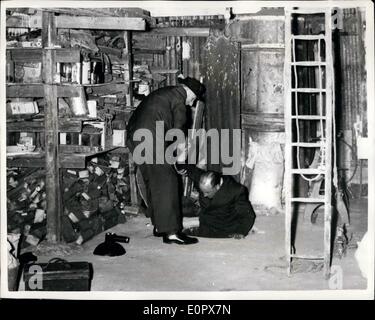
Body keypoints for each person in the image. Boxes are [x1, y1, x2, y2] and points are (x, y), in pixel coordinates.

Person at [126, 77, 205, 245]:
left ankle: (159, 225)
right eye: (193, 99)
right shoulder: (179, 99)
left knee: (154, 180)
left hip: (135, 136)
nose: (192, 104)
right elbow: (179, 133)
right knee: (167, 181)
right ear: (189, 92)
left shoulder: (166, 93)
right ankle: (171, 232)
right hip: (149, 138)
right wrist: (182, 161)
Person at [175, 164, 256, 238]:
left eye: (207, 192)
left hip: (225, 230)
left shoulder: (236, 191)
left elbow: (248, 215)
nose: (204, 195)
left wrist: (241, 231)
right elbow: (187, 167)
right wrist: (179, 165)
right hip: (205, 227)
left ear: (217, 187)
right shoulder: (201, 178)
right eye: (202, 191)